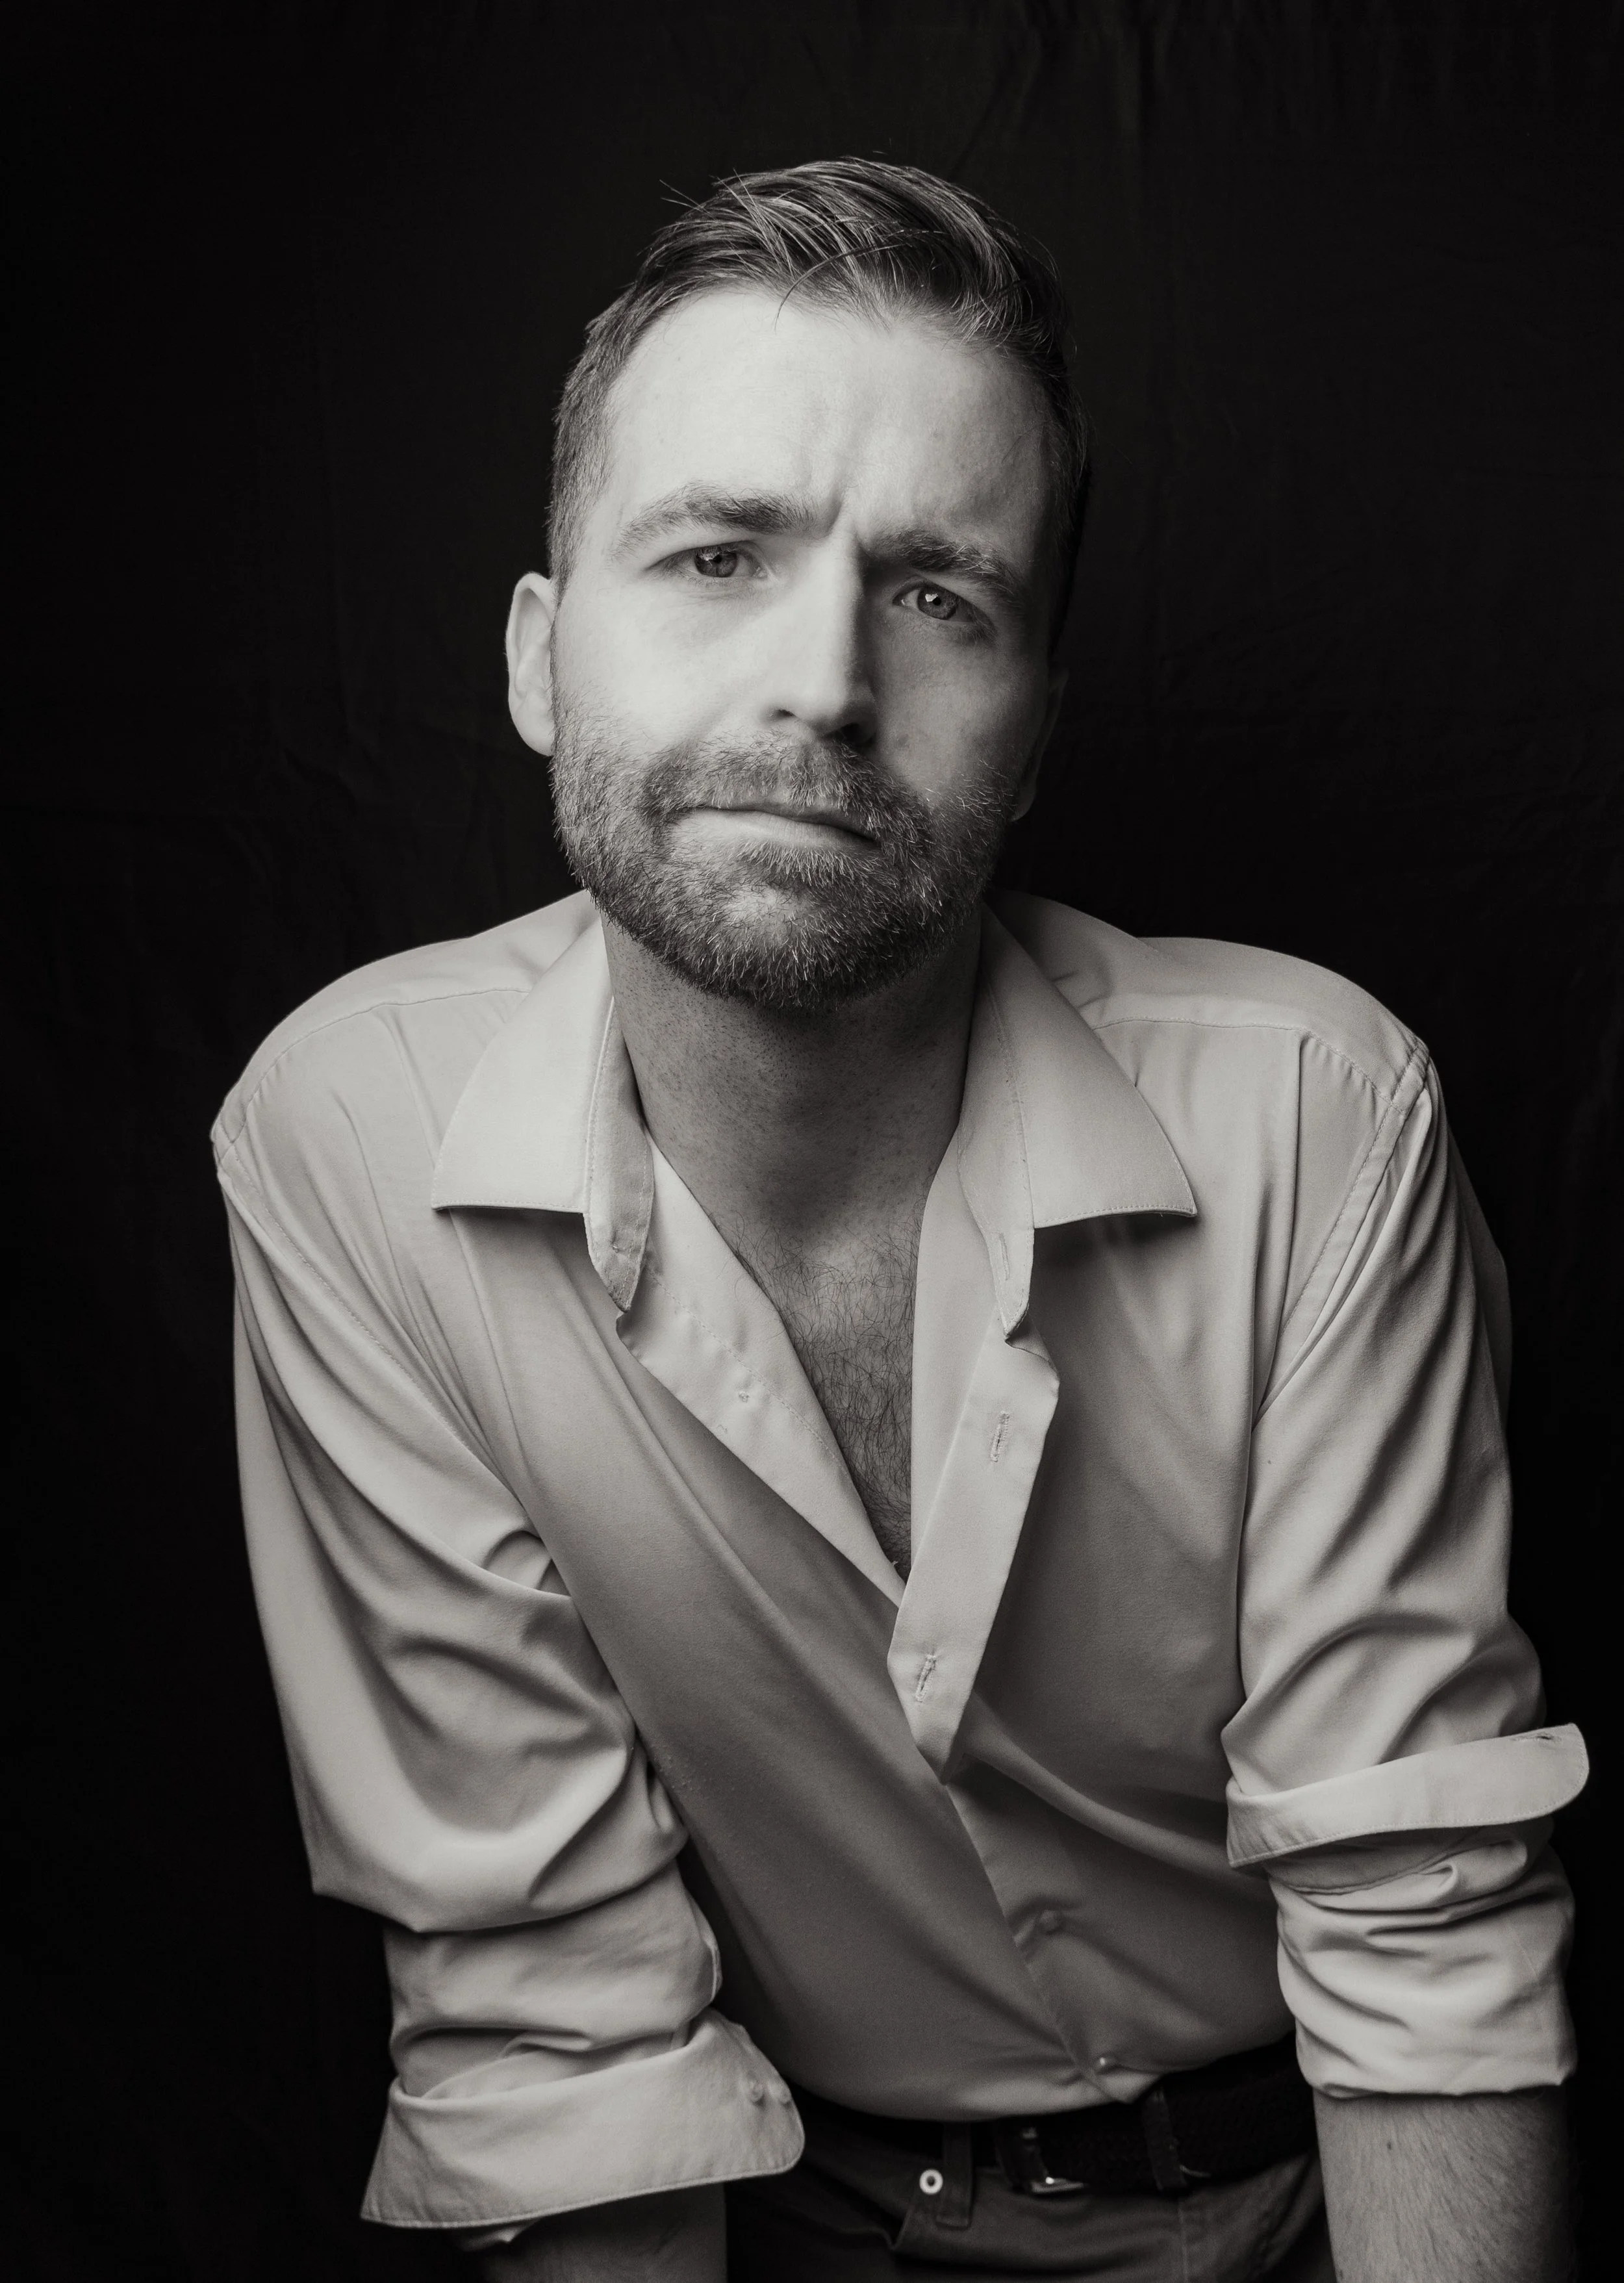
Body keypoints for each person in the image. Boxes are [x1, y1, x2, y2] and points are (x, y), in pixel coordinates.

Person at [215, 160, 1584, 2282]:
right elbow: (548, 2024)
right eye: (715, 553)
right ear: (536, 655)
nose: (824, 685)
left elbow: (1419, 1947)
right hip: (785, 2221)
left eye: (939, 593)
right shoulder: (345, 1137)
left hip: (1304, 2207)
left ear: (1031, 726)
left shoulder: (1314, 1111)